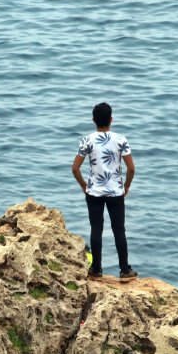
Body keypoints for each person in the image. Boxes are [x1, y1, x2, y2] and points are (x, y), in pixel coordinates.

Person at [71, 102, 138, 282]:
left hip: (94, 192)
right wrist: (127, 186)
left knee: (96, 229)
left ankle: (96, 269)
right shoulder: (121, 139)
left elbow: (75, 168)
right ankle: (124, 270)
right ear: (111, 119)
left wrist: (84, 186)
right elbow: (131, 168)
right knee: (119, 230)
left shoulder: (88, 140)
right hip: (116, 192)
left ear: (93, 120)